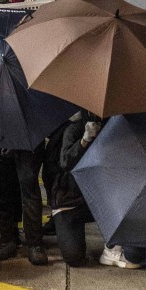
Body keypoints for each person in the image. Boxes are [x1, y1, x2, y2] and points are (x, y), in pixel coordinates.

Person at [47, 112, 102, 268]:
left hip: (97, 198)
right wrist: (84, 140)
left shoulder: (110, 127)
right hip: (69, 199)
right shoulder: (73, 129)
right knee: (74, 258)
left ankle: (114, 247)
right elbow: (65, 162)